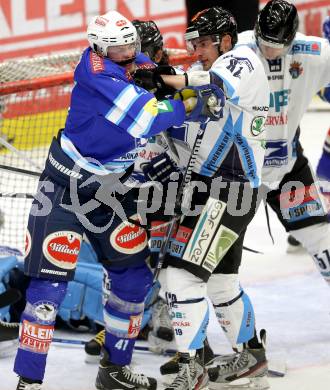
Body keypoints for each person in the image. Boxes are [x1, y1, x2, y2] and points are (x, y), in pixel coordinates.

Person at [12, 10, 200, 390]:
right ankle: (28, 382)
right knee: (47, 292)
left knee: (133, 279)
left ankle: (114, 370)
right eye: (122, 48)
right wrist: (190, 101)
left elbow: (148, 72)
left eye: (133, 45)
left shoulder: (127, 58)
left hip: (111, 195)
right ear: (99, 48)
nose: (130, 53)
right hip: (63, 192)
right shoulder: (97, 74)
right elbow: (149, 118)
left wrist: (183, 79)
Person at [135, 6, 270, 389]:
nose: (198, 50)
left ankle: (191, 369)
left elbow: (212, 85)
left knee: (179, 277)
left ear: (226, 40)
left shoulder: (241, 58)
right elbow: (192, 117)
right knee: (221, 282)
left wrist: (161, 76)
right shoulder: (213, 67)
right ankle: (251, 357)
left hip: (227, 192)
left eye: (205, 43)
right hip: (219, 191)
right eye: (193, 44)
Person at [205, 1, 330, 387]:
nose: (269, 49)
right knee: (213, 259)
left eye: (278, 44)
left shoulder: (315, 52)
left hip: (289, 168)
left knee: (321, 240)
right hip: (244, 177)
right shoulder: (239, 50)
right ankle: (220, 343)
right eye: (264, 41)